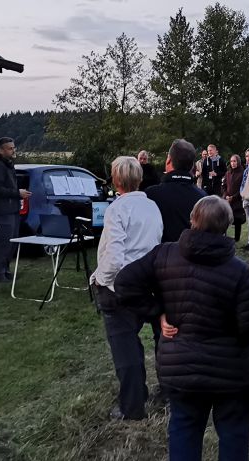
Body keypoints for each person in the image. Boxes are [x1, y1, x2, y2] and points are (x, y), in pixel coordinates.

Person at [114, 196, 249, 461]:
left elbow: (124, 283)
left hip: (182, 368)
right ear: (227, 226)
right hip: (231, 371)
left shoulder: (164, 254)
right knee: (233, 433)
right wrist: (157, 312)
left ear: (192, 220)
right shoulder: (238, 270)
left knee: (184, 428)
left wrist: (158, 310)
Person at [90, 156, 164, 420]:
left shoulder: (116, 209)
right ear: (140, 179)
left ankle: (132, 406)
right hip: (146, 282)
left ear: (115, 181)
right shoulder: (152, 206)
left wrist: (100, 278)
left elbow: (114, 255)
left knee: (125, 348)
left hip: (119, 286)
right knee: (132, 342)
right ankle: (142, 395)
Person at [146, 140, 207, 243]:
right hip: (193, 252)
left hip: (160, 252)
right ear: (192, 166)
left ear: (169, 160)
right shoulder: (203, 198)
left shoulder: (151, 195)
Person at [0, 137, 31, 283]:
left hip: (13, 209)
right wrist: (17, 193)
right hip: (4, 210)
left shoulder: (9, 165)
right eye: (10, 148)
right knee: (4, 242)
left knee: (12, 242)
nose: (13, 150)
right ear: (1, 150)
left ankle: (6, 270)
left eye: (13, 148)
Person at [223, 154, 246, 242]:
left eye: (234, 161)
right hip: (228, 199)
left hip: (238, 200)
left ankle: (236, 239)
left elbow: (243, 187)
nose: (232, 163)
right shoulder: (228, 173)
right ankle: (224, 236)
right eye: (231, 161)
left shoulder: (243, 173)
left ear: (238, 162)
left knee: (237, 219)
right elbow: (224, 185)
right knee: (225, 219)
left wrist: (234, 197)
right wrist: (226, 195)